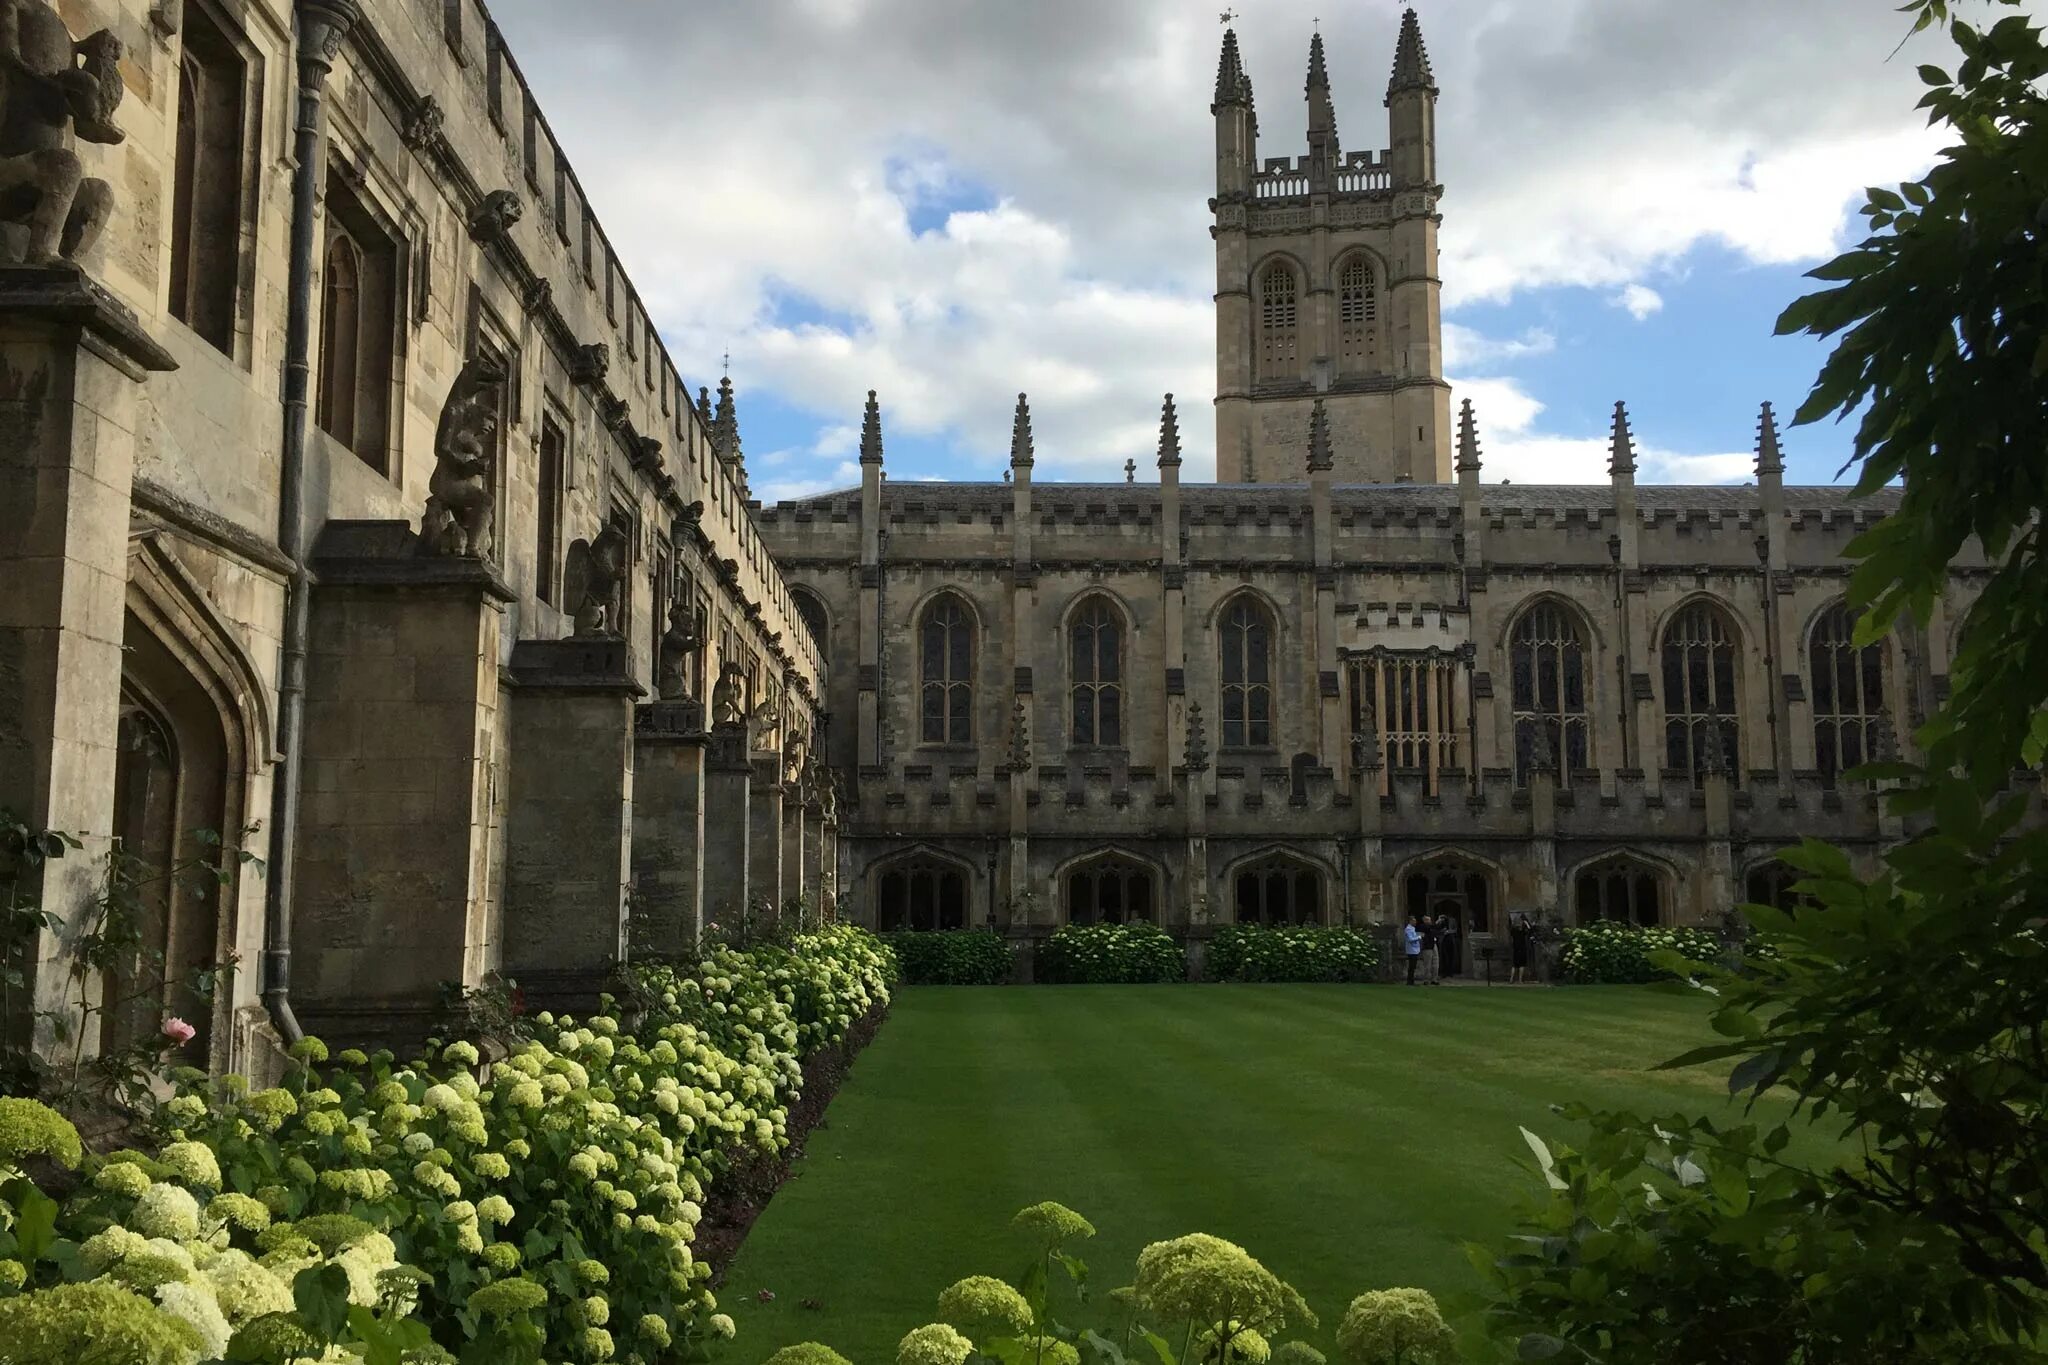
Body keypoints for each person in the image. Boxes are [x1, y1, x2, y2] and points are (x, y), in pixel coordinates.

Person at [1510, 911, 1533, 984]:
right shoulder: (1522, 931)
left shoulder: (1513, 930)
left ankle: (1511, 979)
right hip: (1522, 948)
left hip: (1515, 948)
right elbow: (1530, 930)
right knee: (1522, 964)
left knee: (1514, 964)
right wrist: (1526, 923)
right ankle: (1520, 980)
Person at [1438, 909, 1462, 979]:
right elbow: (1437, 928)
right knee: (1444, 957)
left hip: (1451, 939)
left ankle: (1450, 972)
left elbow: (1455, 930)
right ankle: (1444, 972)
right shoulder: (1441, 921)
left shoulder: (1453, 920)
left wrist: (1449, 932)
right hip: (1443, 940)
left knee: (1451, 956)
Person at [1419, 914, 1441, 986]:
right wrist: (1437, 923)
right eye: (1428, 920)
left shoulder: (1432, 927)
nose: (1430, 921)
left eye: (1430, 920)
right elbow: (1428, 929)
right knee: (1427, 964)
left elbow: (1436, 930)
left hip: (1434, 945)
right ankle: (1426, 980)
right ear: (1424, 920)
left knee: (1435, 963)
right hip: (1427, 947)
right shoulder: (1423, 926)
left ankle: (1434, 979)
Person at [1403, 914, 1424, 985]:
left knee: (1413, 966)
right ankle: (1410, 981)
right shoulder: (1408, 929)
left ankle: (1411, 981)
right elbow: (1410, 939)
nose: (1415, 922)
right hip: (1411, 950)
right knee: (1411, 966)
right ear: (1410, 921)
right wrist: (1419, 937)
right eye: (1414, 921)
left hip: (1415, 950)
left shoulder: (1412, 929)